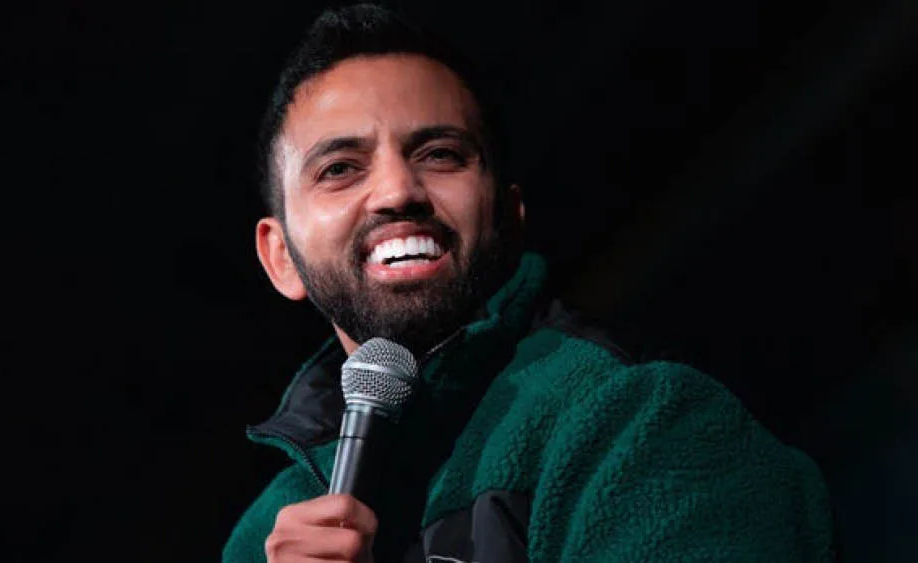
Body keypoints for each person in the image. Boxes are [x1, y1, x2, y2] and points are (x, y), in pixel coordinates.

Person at [223, 4, 835, 562]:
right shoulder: (268, 536)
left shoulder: (644, 423)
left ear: (510, 217)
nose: (397, 191)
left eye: (440, 154)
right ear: (280, 257)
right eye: (339, 168)